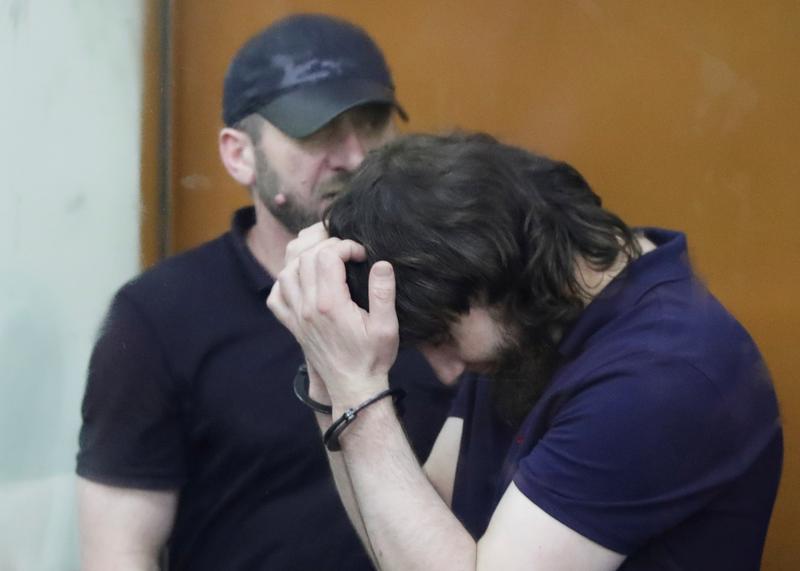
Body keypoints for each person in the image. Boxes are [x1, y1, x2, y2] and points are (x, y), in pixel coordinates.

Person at [267, 132, 783, 570]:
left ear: (502, 268)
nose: (448, 372)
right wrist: (329, 373)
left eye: (443, 337)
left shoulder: (660, 380)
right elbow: (406, 546)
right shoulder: (530, 323)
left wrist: (357, 389)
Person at [76, 15, 453, 571]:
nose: (353, 156)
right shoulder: (159, 315)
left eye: (372, 124)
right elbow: (119, 552)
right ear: (239, 154)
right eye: (316, 129)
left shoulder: (445, 288)